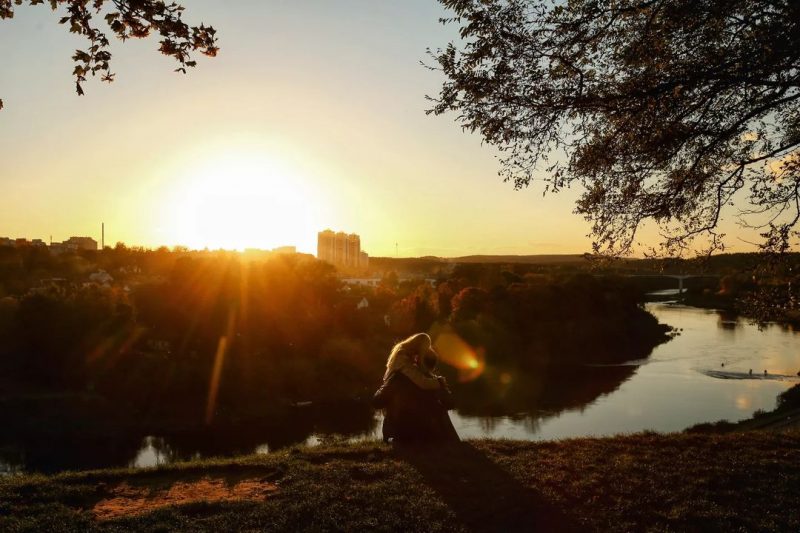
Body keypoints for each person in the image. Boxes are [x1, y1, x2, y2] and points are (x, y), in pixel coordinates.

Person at [374, 333, 459, 444]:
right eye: (426, 347)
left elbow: (419, 377)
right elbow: (422, 382)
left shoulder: (405, 360)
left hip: (402, 415)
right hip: (404, 414)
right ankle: (446, 439)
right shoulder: (402, 361)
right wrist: (439, 382)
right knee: (433, 397)